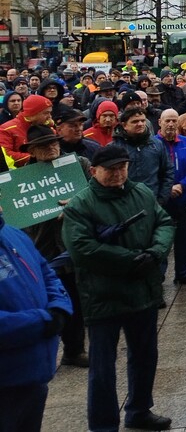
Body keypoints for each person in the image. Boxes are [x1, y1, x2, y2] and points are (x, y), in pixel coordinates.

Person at [62, 144, 175, 432]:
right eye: (111, 169)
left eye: (122, 167)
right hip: (103, 296)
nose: (118, 173)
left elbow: (163, 222)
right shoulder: (81, 204)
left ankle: (139, 409)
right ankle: (103, 425)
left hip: (142, 291)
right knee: (102, 368)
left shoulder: (141, 192)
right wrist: (130, 260)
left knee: (145, 356)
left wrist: (155, 253)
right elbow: (82, 249)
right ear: (93, 171)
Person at [18, 126, 91, 367]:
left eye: (54, 143)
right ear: (31, 151)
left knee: (79, 298)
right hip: (43, 250)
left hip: (78, 243)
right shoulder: (20, 180)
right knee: (55, 299)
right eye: (43, 145)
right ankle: (65, 348)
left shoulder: (77, 164)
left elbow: (97, 190)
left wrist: (78, 202)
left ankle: (75, 348)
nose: (51, 148)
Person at [0, 191, 73, 432]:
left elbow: (46, 272)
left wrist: (60, 307)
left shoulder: (12, 233)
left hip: (34, 375)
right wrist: (42, 321)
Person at [156, 109, 186, 286]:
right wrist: (167, 188)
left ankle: (183, 272)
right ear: (160, 122)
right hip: (162, 201)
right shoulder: (153, 144)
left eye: (174, 121)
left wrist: (182, 185)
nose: (171, 124)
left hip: (184, 198)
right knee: (161, 241)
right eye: (167, 121)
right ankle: (159, 277)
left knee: (185, 239)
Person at [0, 93, 53, 166]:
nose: (49, 116)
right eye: (46, 113)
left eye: (50, 113)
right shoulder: (6, 129)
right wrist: (36, 157)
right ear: (33, 114)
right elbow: (5, 155)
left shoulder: (46, 125)